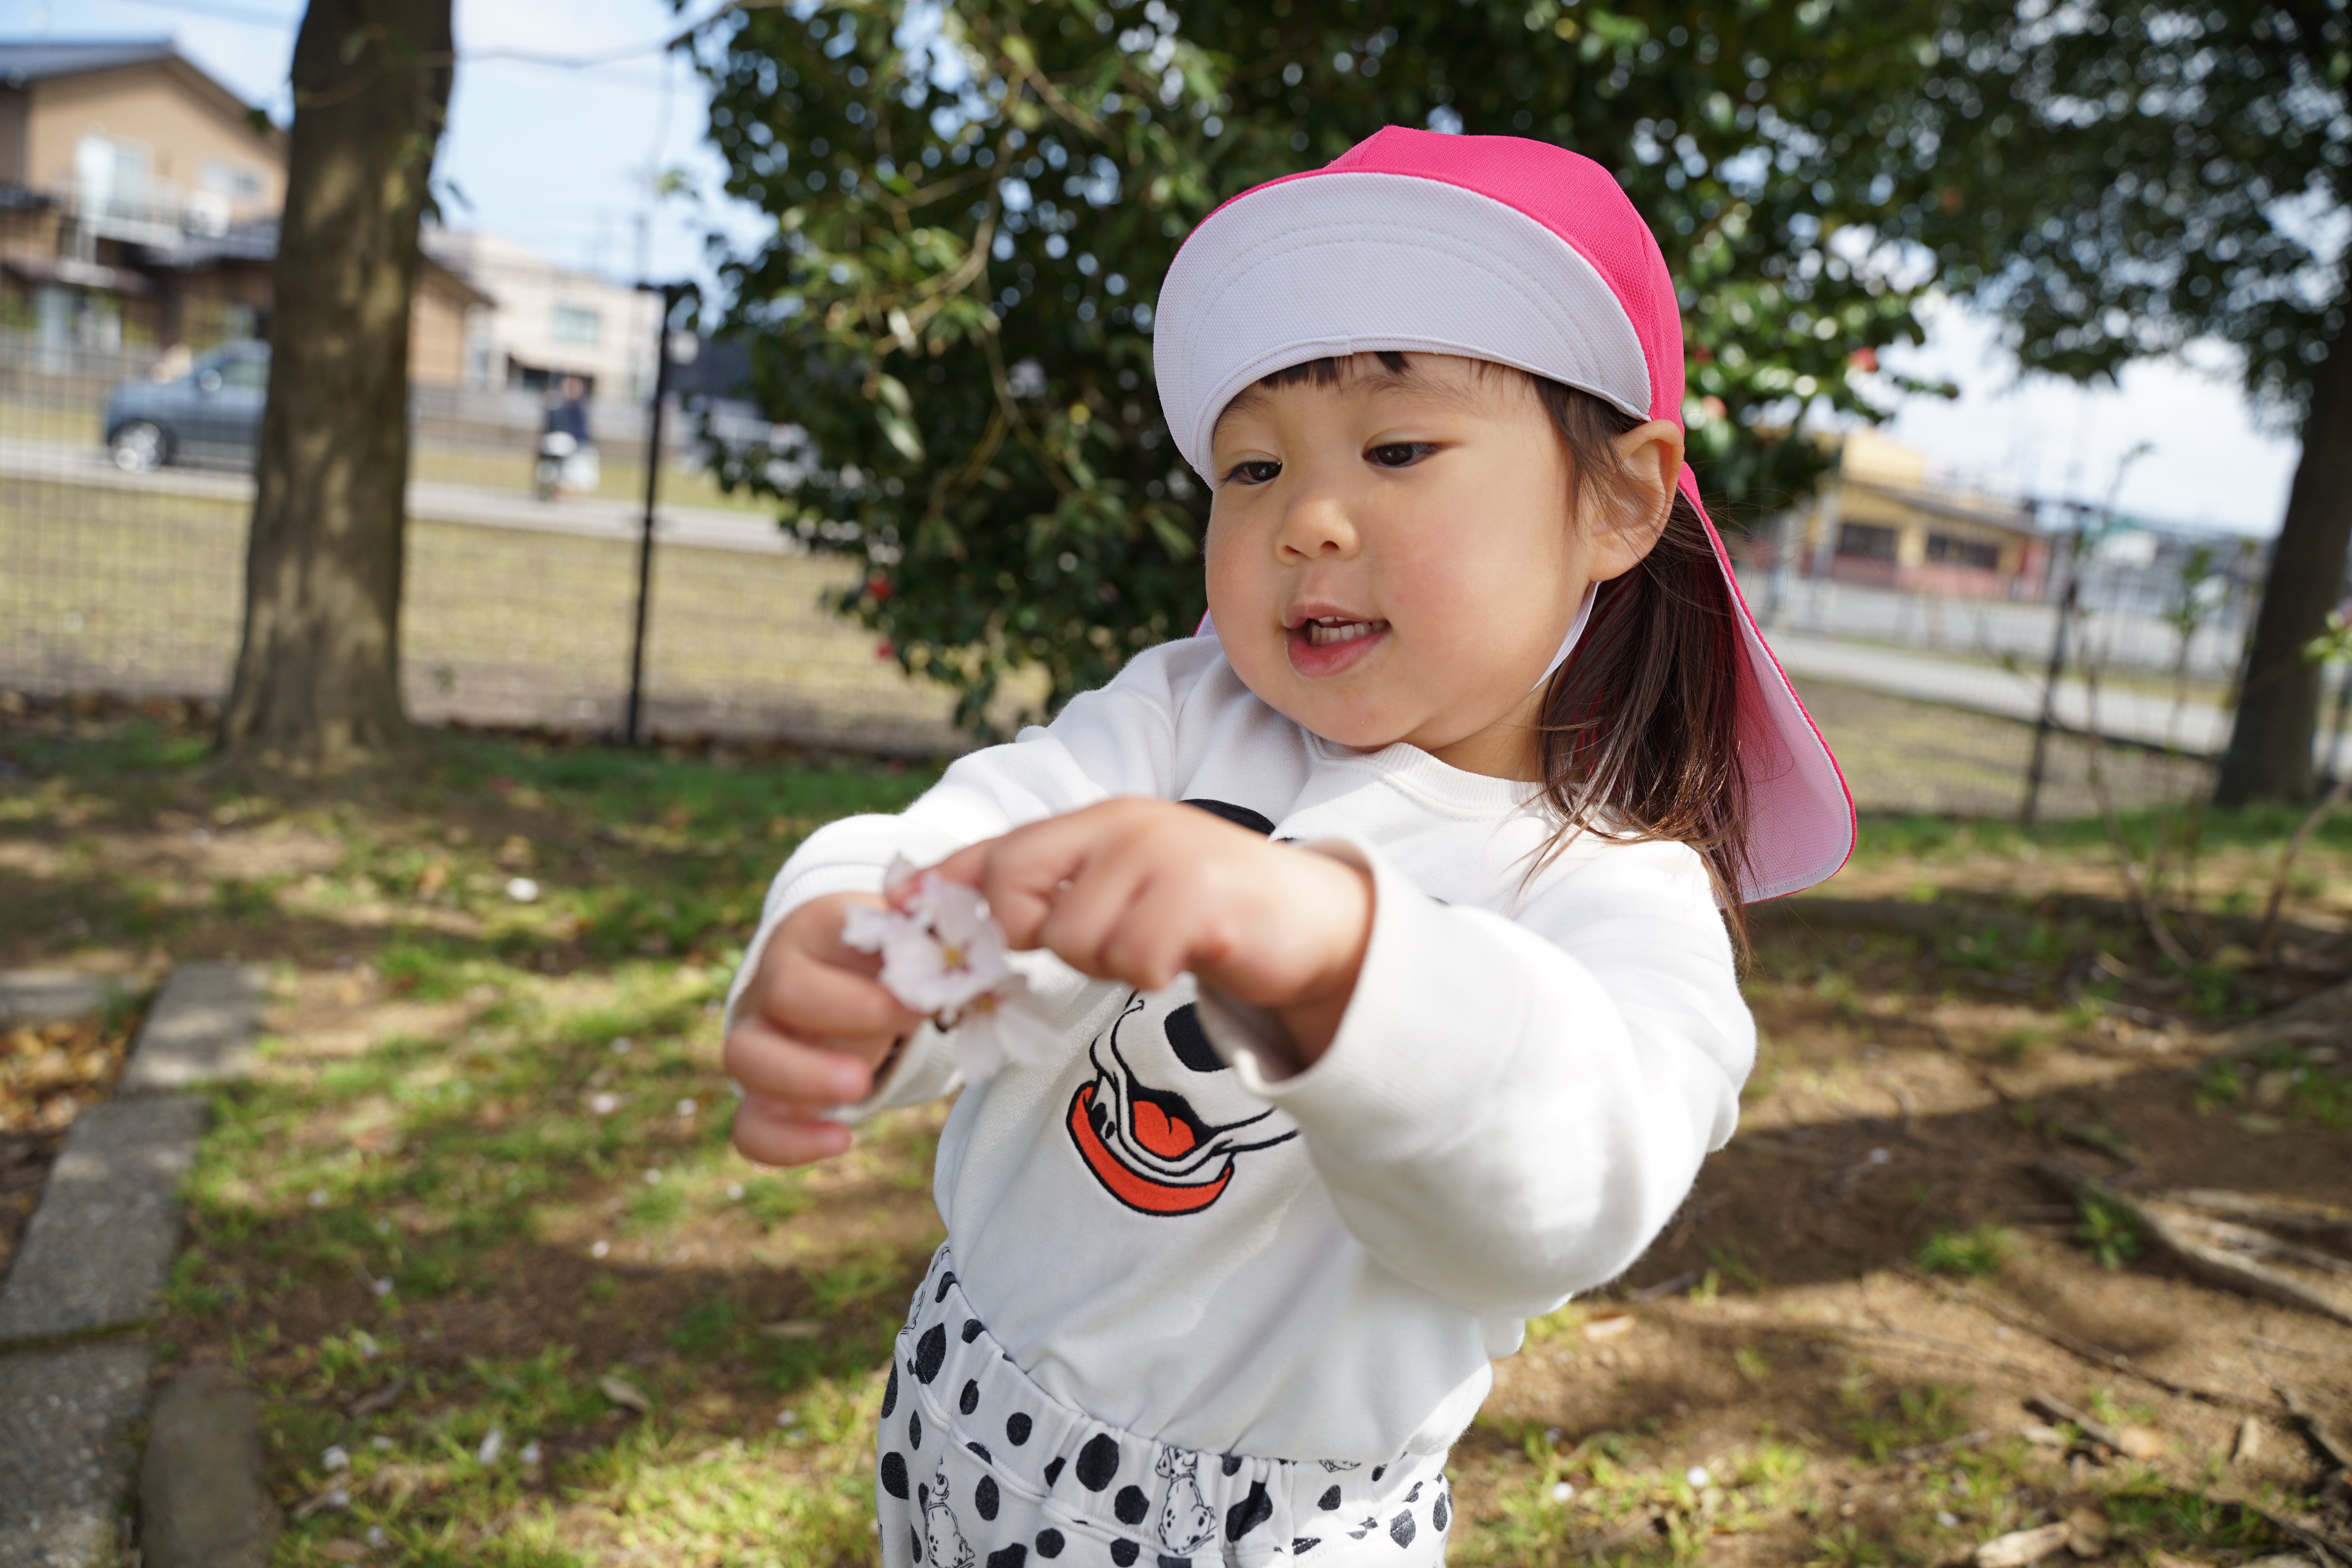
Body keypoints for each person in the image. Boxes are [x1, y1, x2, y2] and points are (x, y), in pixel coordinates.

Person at [724, 127, 1855, 1566]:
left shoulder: (1616, 892)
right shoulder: (1183, 714)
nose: (1307, 519)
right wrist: (860, 955)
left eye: (1397, 449)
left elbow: (1575, 1178)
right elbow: (986, 834)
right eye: (1252, 465)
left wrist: (1342, 963)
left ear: (1621, 499)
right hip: (964, 1415)